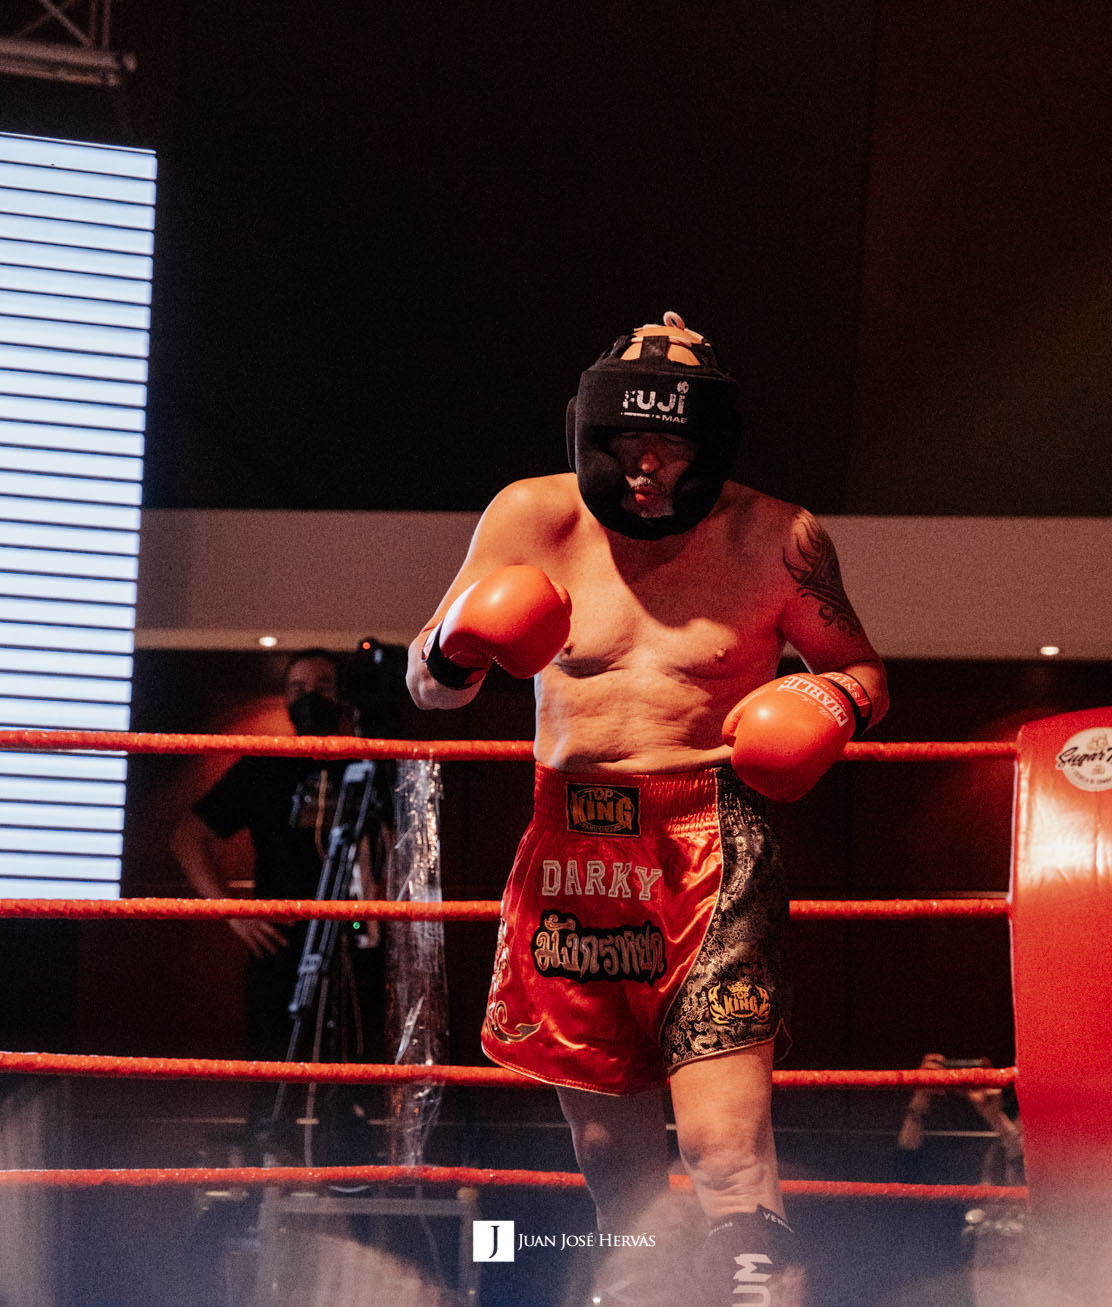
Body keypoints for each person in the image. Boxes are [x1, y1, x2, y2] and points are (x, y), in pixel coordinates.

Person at [406, 312, 886, 1305]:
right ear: (590, 434)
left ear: (713, 447)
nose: (647, 466)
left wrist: (827, 703)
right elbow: (427, 685)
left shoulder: (779, 537)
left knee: (724, 1144)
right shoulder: (529, 516)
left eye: (671, 445)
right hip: (569, 846)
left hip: (710, 840)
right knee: (608, 1156)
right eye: (627, 441)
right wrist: (460, 641)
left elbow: (863, 670)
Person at [171, 651, 384, 1113]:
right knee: (273, 1076)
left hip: (358, 943)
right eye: (297, 689)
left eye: (322, 687)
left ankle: (352, 1154)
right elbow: (187, 836)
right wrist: (233, 913)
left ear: (342, 694)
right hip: (281, 944)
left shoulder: (373, 765)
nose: (309, 698)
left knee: (357, 1079)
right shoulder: (264, 766)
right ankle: (272, 1150)